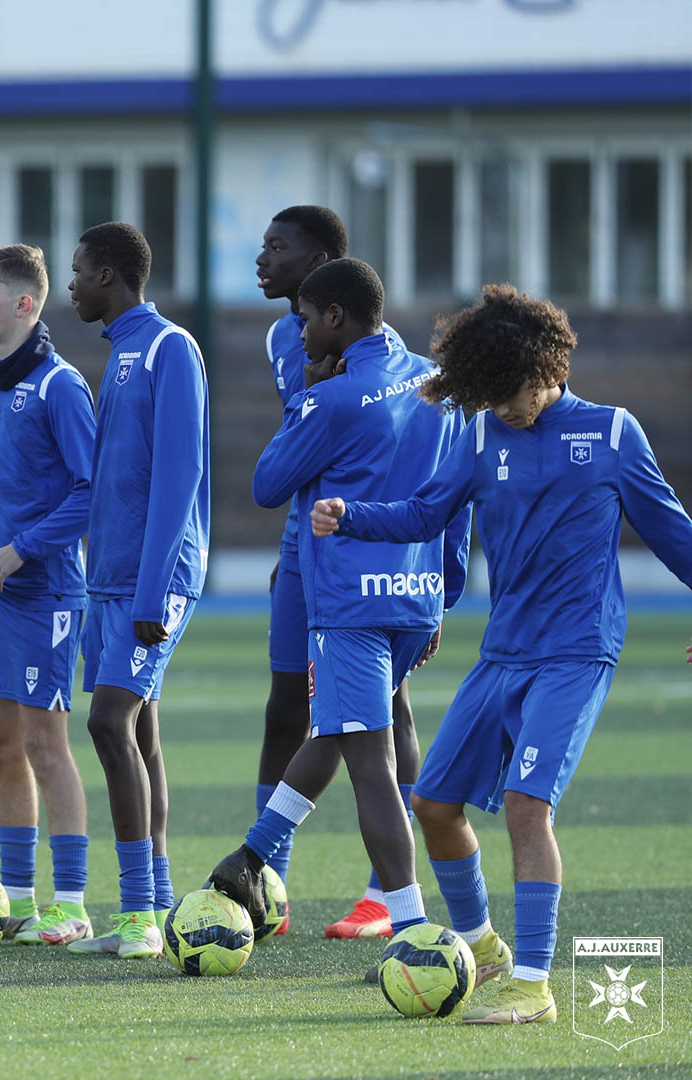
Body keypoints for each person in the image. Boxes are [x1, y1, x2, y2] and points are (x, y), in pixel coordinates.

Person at [310, 284, 692, 1024]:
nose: (506, 408)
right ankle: (485, 950)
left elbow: (676, 537)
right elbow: (426, 511)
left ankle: (536, 984)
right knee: (434, 803)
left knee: (525, 806)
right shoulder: (481, 435)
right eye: (490, 395)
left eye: (513, 391)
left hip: (576, 653)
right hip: (504, 653)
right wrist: (351, 514)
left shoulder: (614, 434)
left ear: (550, 366)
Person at [206, 259, 468, 965]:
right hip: (414, 599)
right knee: (340, 732)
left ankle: (413, 931)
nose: (297, 336)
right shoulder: (435, 382)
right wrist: (447, 588)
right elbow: (456, 491)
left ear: (337, 320)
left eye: (304, 320)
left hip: (350, 601)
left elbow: (267, 483)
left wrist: (305, 402)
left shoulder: (336, 396)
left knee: (370, 765)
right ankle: (251, 856)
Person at [254, 205, 425, 939]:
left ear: (321, 267)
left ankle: (385, 894)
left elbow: (304, 441)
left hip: (363, 558)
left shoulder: (382, 362)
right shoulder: (282, 336)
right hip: (307, 546)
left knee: (382, 717)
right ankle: (272, 878)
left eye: (277, 248)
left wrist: (440, 576)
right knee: (288, 703)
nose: (262, 259)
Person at [63, 222, 208, 959]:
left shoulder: (168, 347)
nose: (71, 284)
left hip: (156, 579)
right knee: (141, 732)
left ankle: (136, 917)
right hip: (111, 577)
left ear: (112, 277)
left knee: (107, 722)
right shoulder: (119, 352)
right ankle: (154, 905)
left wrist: (153, 590)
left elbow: (180, 476)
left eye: (80, 271)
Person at [0, 243, 96, 945]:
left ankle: (70, 900)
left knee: (46, 744)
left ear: (24, 303)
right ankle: (15, 898)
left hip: (44, 594)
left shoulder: (62, 386)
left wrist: (22, 547)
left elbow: (89, 491)